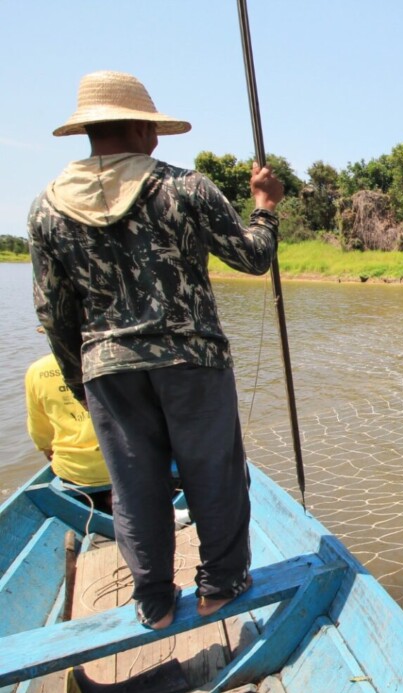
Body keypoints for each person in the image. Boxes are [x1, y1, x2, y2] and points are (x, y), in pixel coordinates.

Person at [28, 70, 284, 630]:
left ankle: (153, 601)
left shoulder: (46, 211)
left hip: (107, 368)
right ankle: (220, 585)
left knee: (134, 484)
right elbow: (252, 257)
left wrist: (84, 380)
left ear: (88, 132)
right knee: (213, 472)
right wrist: (265, 205)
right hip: (192, 360)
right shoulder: (185, 189)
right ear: (146, 131)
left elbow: (54, 313)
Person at [25, 350, 112, 511]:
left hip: (74, 471)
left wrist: (48, 451)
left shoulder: (37, 370)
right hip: (128, 465)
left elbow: (40, 433)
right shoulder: (115, 358)